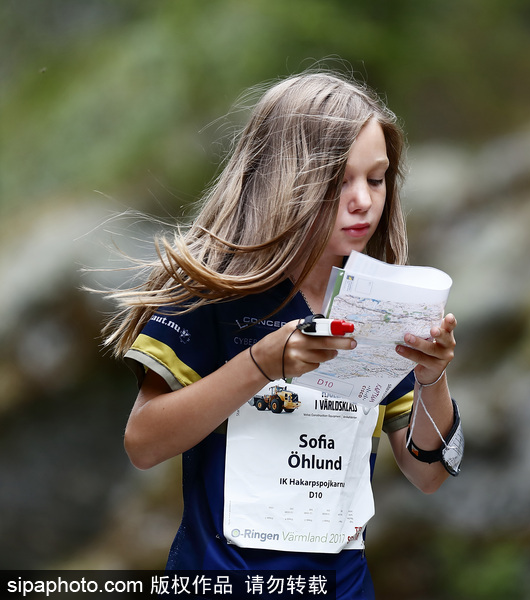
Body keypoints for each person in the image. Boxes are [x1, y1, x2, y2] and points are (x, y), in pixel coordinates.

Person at [102, 70, 462, 598]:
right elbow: (144, 442)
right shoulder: (214, 290)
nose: (363, 200)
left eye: (376, 178)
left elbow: (427, 475)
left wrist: (433, 377)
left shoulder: (385, 301)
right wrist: (261, 365)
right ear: (285, 177)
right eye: (339, 180)